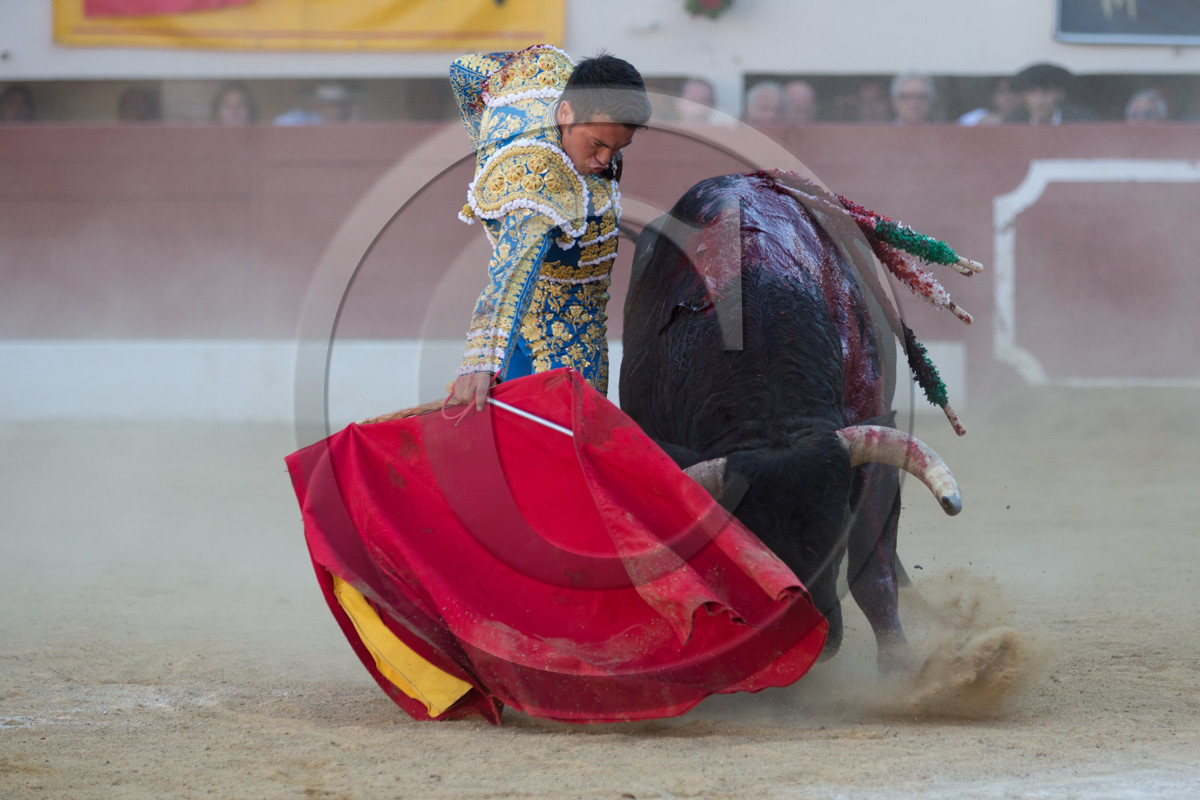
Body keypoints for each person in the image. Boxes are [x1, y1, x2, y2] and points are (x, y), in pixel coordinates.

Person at [448, 46, 652, 410]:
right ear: (566, 111)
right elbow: (512, 273)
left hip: (540, 307)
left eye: (619, 147)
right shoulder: (538, 181)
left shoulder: (545, 71)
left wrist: (487, 151)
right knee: (575, 433)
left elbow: (464, 69)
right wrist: (481, 360)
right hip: (562, 322)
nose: (605, 160)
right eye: (597, 144)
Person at [1005, 62, 1095, 125]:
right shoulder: (1013, 123)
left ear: (1061, 94)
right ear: (1024, 96)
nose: (1039, 99)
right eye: (1032, 93)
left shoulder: (1079, 121)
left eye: (1046, 91)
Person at [273, 81, 357, 125]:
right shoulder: (301, 119)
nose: (335, 109)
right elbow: (280, 124)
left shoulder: (344, 123)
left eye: (339, 104)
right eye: (328, 104)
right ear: (317, 105)